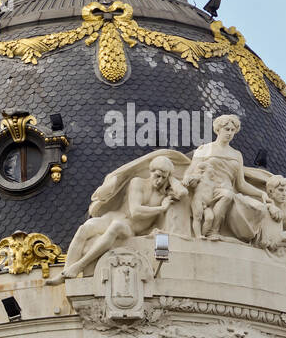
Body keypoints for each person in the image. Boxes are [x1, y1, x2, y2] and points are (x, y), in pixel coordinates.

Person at [52, 154, 185, 281]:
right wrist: (161, 208)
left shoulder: (164, 195)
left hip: (128, 228)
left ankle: (79, 266)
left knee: (116, 226)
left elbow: (183, 193)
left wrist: (171, 177)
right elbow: (135, 211)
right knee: (84, 228)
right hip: (112, 217)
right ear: (151, 171)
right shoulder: (138, 182)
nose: (160, 181)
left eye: (163, 178)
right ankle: (65, 273)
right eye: (157, 176)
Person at [186, 114, 262, 240]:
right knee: (224, 197)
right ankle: (205, 233)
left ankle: (213, 231)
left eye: (233, 130)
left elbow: (241, 184)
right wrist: (189, 178)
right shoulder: (205, 149)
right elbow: (192, 169)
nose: (230, 133)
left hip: (226, 191)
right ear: (218, 129)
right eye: (227, 129)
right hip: (206, 190)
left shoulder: (237, 155)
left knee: (228, 194)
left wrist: (261, 194)